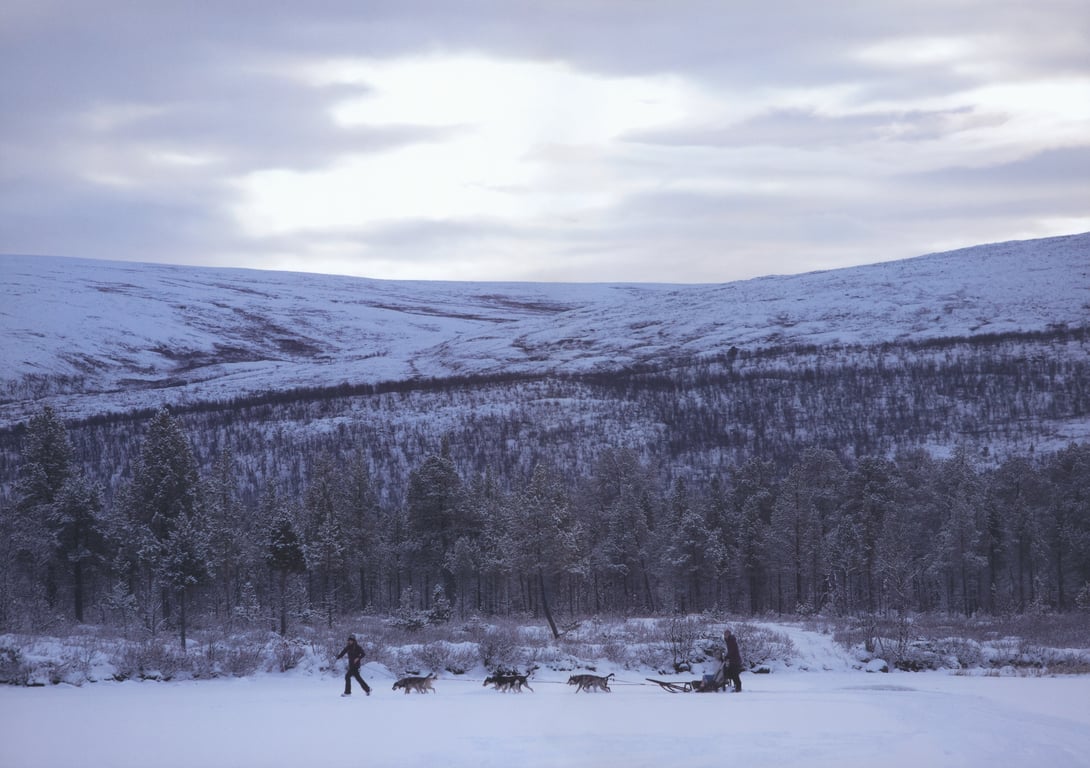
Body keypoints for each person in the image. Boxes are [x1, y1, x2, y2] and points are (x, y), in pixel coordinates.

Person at [722, 628, 743, 692]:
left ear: (729, 634)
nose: (725, 636)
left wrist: (727, 656)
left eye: (726, 634)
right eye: (724, 634)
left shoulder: (731, 641)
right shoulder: (728, 641)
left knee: (735, 674)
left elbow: (732, 650)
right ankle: (735, 686)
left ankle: (738, 687)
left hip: (735, 660)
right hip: (732, 660)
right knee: (731, 673)